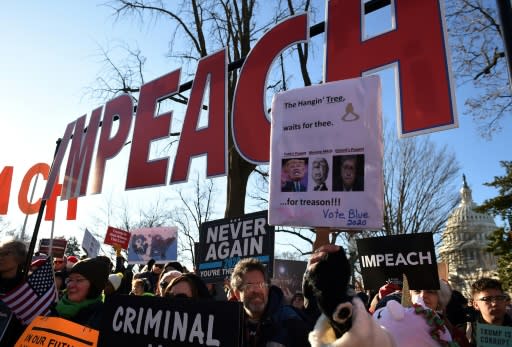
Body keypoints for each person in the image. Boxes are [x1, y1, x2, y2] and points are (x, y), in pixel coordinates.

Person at [230, 257, 310, 346]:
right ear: (237, 294)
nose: (257, 290)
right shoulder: (226, 323)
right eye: (249, 286)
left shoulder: (290, 320)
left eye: (261, 284)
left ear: (267, 289)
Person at [51, 257, 110, 330]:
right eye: (70, 280)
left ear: (94, 286)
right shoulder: (52, 306)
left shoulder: (103, 319)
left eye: (79, 280)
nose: (70, 285)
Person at [467, 278, 512, 346]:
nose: (495, 303)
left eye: (499, 298)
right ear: (476, 305)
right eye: (487, 299)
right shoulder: (466, 332)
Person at [0, 240, 27, 346]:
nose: (1, 257)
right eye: (0, 253)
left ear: (20, 258)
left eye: (6, 253)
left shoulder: (26, 288)